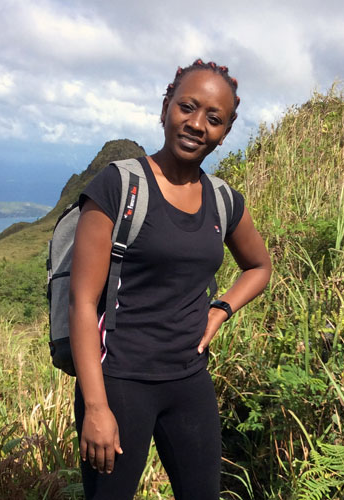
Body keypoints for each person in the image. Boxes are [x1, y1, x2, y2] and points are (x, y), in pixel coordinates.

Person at [69, 59, 272, 500]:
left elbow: (259, 267)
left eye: (214, 118)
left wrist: (220, 311)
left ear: (226, 130)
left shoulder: (223, 200)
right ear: (166, 107)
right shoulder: (118, 187)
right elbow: (82, 303)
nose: (197, 124)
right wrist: (97, 407)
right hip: (119, 383)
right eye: (188, 107)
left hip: (189, 381)